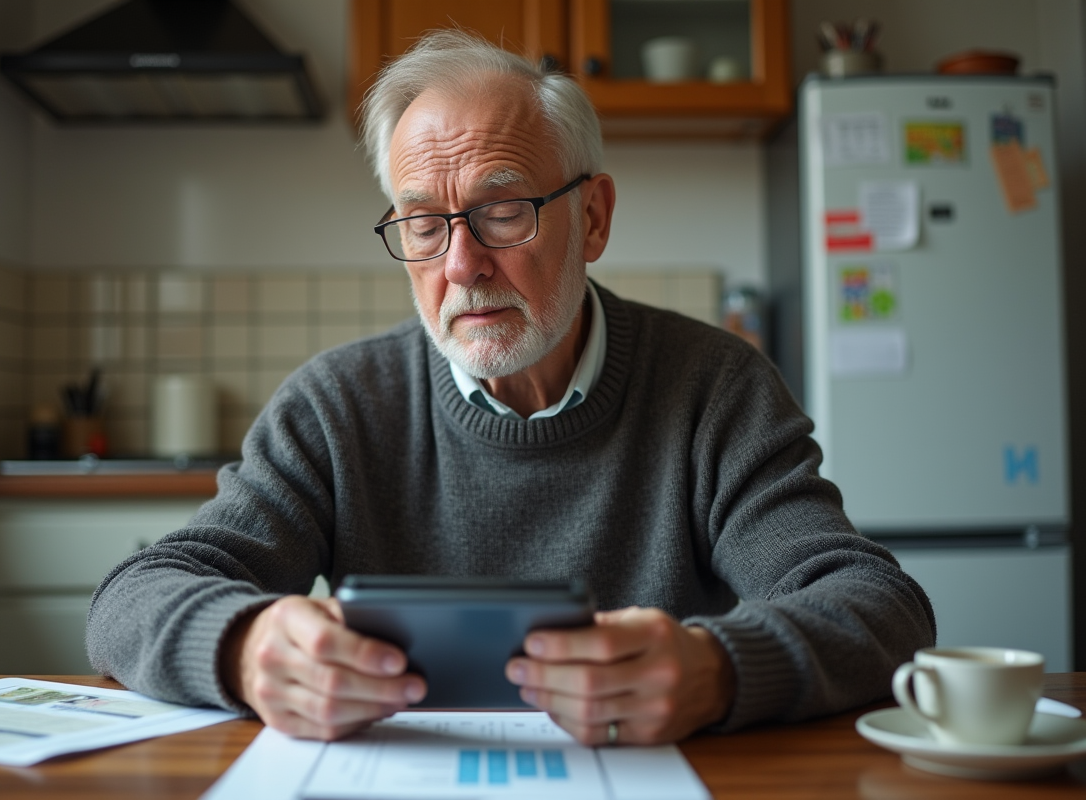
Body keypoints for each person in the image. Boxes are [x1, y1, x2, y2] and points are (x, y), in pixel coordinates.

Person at [86, 30, 935, 747]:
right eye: (423, 223)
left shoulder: (716, 389)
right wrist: (241, 646)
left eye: (503, 211)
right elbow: (131, 598)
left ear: (593, 218)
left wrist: (720, 669)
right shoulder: (336, 406)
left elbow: (880, 607)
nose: (460, 265)